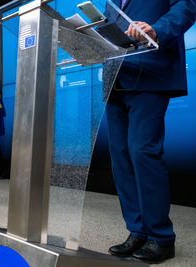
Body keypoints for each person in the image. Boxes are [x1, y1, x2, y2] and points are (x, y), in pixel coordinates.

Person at [104, 0, 196, 264]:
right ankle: (138, 231)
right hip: (116, 77)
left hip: (150, 72)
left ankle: (161, 236)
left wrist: (157, 29)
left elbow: (186, 7)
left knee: (143, 151)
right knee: (120, 157)